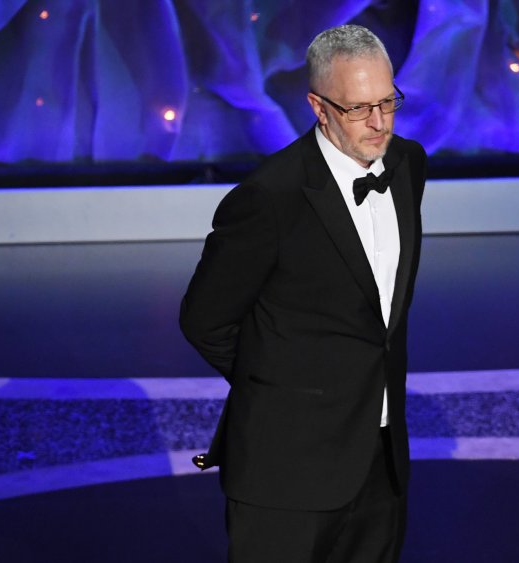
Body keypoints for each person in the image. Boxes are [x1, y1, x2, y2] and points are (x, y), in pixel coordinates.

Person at [180, 24, 425, 563]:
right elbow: (205, 320)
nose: (379, 123)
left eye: (388, 102)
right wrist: (285, 385)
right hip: (285, 471)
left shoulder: (408, 165)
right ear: (319, 106)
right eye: (359, 109)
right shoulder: (268, 199)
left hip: (381, 461)